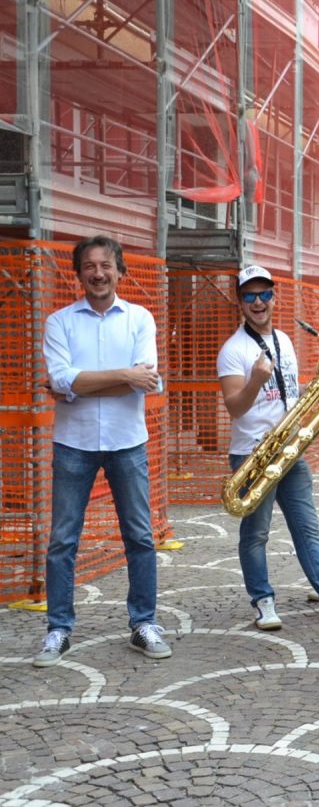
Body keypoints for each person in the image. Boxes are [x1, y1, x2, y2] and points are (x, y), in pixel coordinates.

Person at [35, 235, 172, 666]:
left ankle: (143, 623)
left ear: (119, 271)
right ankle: (58, 629)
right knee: (62, 540)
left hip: (126, 442)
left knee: (140, 536)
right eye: (90, 266)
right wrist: (120, 377)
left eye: (106, 265)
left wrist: (78, 385)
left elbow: (144, 379)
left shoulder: (140, 318)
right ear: (79, 273)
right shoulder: (60, 322)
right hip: (72, 444)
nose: (98, 273)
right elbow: (61, 379)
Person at [218, 266, 319, 630]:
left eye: (264, 294)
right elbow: (235, 407)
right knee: (256, 533)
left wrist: (315, 391)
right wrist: (256, 380)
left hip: (290, 449)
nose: (258, 302)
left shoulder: (285, 341)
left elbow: (287, 394)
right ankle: (262, 600)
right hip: (254, 454)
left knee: (307, 528)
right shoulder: (233, 350)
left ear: (275, 297)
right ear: (240, 302)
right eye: (249, 296)